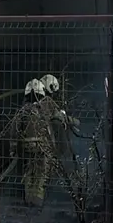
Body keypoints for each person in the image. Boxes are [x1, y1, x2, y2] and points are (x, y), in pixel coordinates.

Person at [14, 74, 75, 207]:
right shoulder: (47, 103)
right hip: (42, 146)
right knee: (42, 175)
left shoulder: (23, 110)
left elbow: (16, 130)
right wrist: (74, 121)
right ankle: (37, 204)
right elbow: (60, 117)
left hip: (26, 146)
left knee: (29, 173)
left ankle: (28, 202)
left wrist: (15, 149)